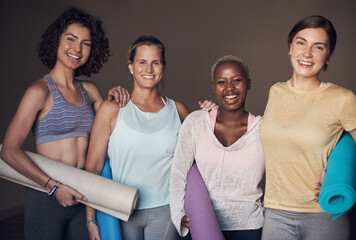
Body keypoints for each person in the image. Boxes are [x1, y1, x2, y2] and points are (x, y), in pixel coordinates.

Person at [0, 7, 129, 240]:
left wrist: (118, 97)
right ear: (56, 41)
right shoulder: (38, 91)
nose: (77, 49)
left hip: (84, 194)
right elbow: (8, 151)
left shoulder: (90, 90)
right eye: (71, 39)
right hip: (47, 195)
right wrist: (53, 186)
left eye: (86, 43)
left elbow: (119, 127)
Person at [85, 35, 217, 240]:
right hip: (122, 211)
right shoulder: (110, 109)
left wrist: (213, 117)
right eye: (142, 62)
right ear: (130, 66)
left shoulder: (178, 110)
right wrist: (91, 219)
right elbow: (92, 168)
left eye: (155, 63)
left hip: (166, 211)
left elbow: (202, 160)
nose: (149, 69)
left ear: (163, 67)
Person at [259, 15, 356, 240]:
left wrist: (340, 175)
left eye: (318, 47)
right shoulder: (276, 92)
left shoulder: (343, 98)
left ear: (328, 56)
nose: (307, 53)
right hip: (275, 213)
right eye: (301, 43)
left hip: (323, 214)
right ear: (290, 46)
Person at [170, 55, 265, 240]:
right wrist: (178, 214)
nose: (229, 88)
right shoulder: (196, 122)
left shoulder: (263, 129)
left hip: (250, 228)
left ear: (249, 83)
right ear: (214, 87)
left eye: (237, 80)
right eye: (222, 82)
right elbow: (178, 172)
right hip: (201, 224)